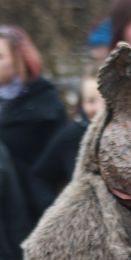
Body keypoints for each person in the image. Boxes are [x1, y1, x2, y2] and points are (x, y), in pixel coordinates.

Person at [0, 25, 67, 226]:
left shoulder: (46, 104)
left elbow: (56, 166)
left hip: (30, 214)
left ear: (19, 60)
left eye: (0, 56)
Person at [33, 72, 104, 195]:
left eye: (104, 99)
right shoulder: (72, 135)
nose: (99, 108)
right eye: (90, 101)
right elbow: (40, 177)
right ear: (82, 103)